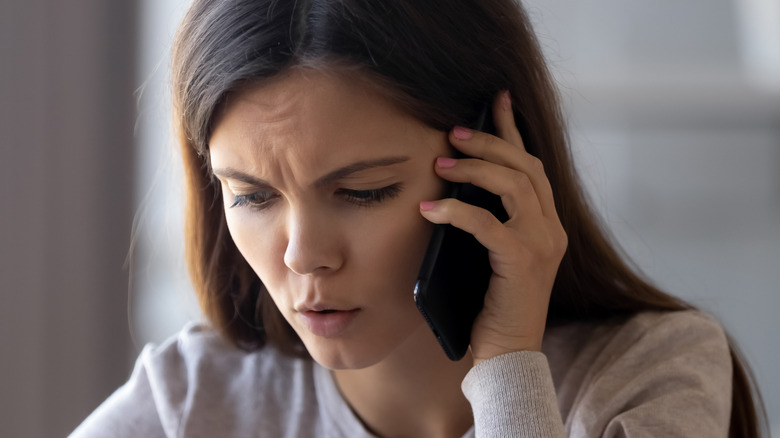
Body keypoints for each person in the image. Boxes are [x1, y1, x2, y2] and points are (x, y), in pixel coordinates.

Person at [71, 0, 766, 437]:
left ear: (500, 165)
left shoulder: (647, 375)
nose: (303, 255)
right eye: (252, 196)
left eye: (364, 191)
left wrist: (510, 373)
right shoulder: (189, 402)